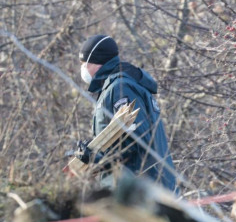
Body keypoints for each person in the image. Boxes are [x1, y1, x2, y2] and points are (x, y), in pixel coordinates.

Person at [76, 34, 178, 192]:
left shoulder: (121, 88)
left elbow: (135, 143)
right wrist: (92, 149)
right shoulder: (114, 86)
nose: (82, 68)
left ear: (97, 62)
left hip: (144, 191)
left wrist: (95, 159)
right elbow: (119, 138)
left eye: (84, 63)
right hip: (137, 190)